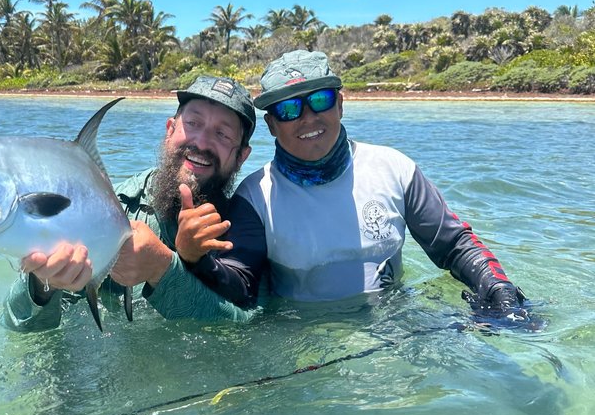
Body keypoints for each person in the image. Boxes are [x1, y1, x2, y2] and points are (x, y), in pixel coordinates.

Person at [187, 50, 529, 320]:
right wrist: (196, 259)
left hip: (396, 322)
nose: (308, 117)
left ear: (340, 104)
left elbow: (453, 245)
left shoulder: (395, 168)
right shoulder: (253, 196)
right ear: (272, 125)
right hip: (307, 342)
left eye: (319, 99)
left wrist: (498, 288)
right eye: (289, 108)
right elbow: (240, 282)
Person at [2, 75, 257, 330]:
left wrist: (162, 270)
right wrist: (43, 285)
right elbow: (19, 326)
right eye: (193, 123)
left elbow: (247, 329)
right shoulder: (109, 207)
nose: (201, 142)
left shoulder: (249, 228)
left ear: (242, 156)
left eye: (222, 134)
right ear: (170, 130)